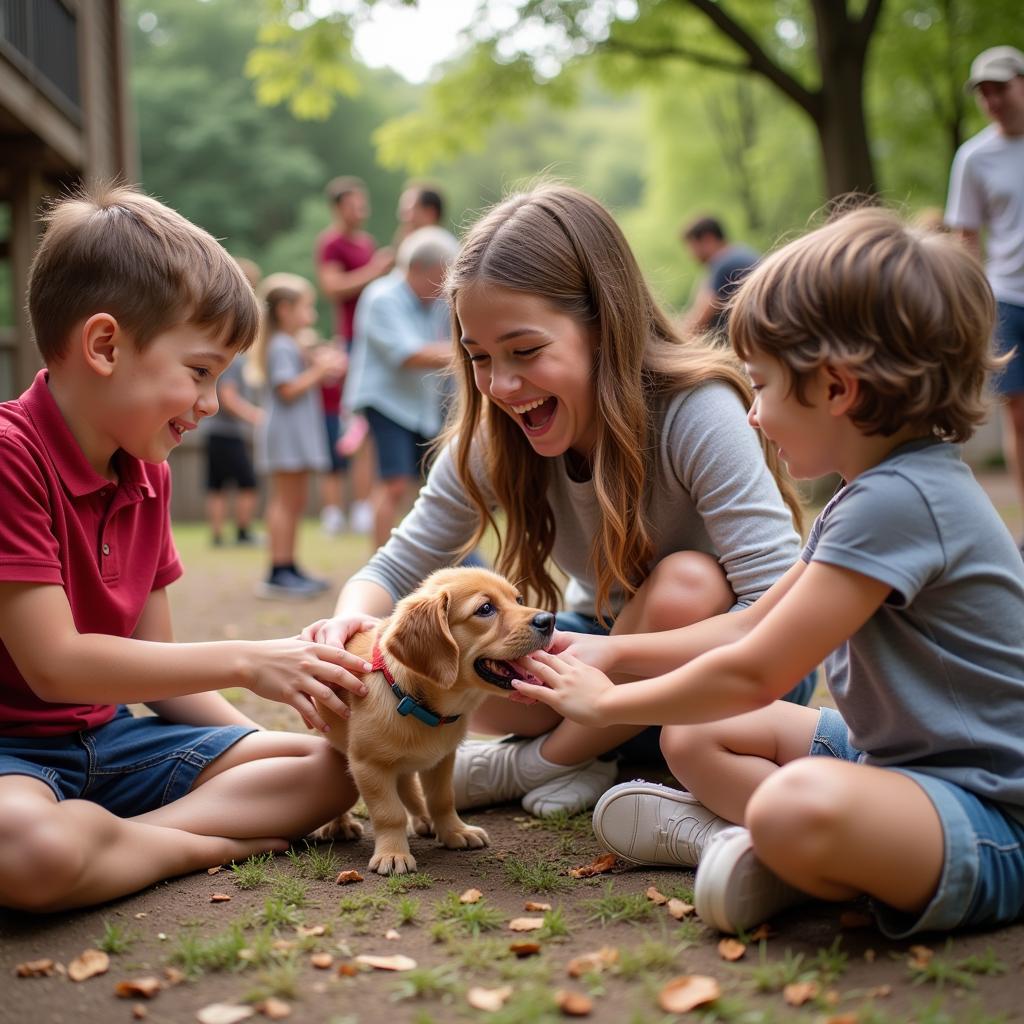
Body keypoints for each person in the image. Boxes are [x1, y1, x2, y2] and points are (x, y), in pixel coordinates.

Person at [511, 206, 1024, 940]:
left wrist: (607, 704)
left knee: (795, 803)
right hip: (899, 764)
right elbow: (752, 620)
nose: (752, 415)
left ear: (838, 389)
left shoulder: (901, 503)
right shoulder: (873, 492)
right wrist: (609, 652)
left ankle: (766, 846)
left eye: (764, 386)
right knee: (693, 735)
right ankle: (763, 849)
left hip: (990, 816)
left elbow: (755, 667)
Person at [304, 184, 814, 819]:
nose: (503, 385)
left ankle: (538, 766)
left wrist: (613, 660)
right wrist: (347, 632)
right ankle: (600, 752)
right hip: (596, 665)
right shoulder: (496, 434)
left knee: (686, 581)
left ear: (603, 326)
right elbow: (396, 565)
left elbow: (779, 612)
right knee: (435, 666)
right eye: (480, 357)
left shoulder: (696, 411)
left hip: (728, 683)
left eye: (525, 351)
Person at [0, 185, 370, 912]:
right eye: (200, 372)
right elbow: (54, 667)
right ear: (105, 345)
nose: (209, 402)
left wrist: (252, 747)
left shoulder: (147, 474)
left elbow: (160, 676)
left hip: (112, 750)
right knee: (29, 851)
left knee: (341, 763)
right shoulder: (11, 456)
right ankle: (195, 844)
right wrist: (248, 660)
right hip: (14, 756)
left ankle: (111, 844)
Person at [946, 45, 1024, 545]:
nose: (992, 99)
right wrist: (970, 306)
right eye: (984, 93)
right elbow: (965, 238)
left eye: (1001, 87)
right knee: (1020, 415)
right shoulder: (974, 156)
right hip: (1010, 297)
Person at [344, 226, 461, 549]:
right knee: (393, 485)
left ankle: (432, 561)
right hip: (386, 401)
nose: (442, 288)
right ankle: (381, 568)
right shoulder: (382, 296)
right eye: (438, 277)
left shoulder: (433, 304)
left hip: (420, 405)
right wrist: (470, 353)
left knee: (430, 487)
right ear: (416, 269)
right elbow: (407, 354)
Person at [252, 274, 346, 599]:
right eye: (305, 307)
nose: (312, 314)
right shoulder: (280, 345)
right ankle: (279, 571)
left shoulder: (290, 344)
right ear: (284, 309)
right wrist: (319, 372)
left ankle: (289, 566)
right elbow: (287, 389)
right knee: (285, 501)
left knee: (294, 501)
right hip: (286, 434)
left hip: (295, 434)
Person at [315, 177, 394, 537]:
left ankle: (365, 505)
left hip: (373, 342)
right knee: (349, 423)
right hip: (351, 342)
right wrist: (374, 271)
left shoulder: (367, 244)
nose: (360, 210)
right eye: (353, 204)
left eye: (363, 204)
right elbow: (331, 287)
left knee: (369, 427)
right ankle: (336, 509)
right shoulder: (332, 244)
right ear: (338, 208)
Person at [201, 258, 263, 547]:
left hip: (212, 431)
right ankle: (242, 531)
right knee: (247, 482)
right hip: (227, 431)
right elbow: (227, 395)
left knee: (216, 485)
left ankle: (216, 535)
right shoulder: (234, 352)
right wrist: (255, 416)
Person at [680, 215, 759, 339]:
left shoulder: (723, 264)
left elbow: (698, 320)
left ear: (708, 239)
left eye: (693, 247)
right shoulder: (740, 253)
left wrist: (673, 343)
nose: (691, 255)